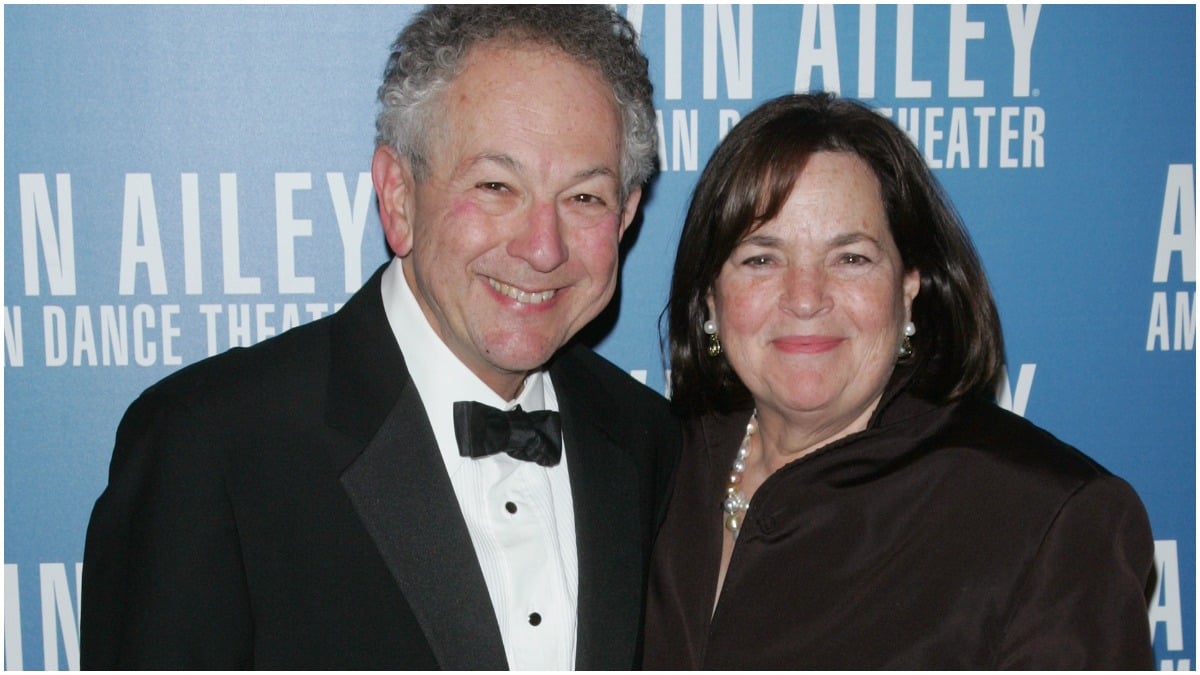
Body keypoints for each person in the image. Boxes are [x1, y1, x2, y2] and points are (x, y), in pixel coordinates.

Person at [81, 5, 678, 670]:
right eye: (496, 185)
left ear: (625, 216)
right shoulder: (208, 446)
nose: (542, 248)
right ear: (398, 197)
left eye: (584, 198)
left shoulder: (652, 443)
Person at [642, 93, 1155, 669]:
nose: (805, 298)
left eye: (851, 258)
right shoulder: (646, 473)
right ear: (710, 293)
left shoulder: (1047, 518)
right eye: (761, 258)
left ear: (910, 284)